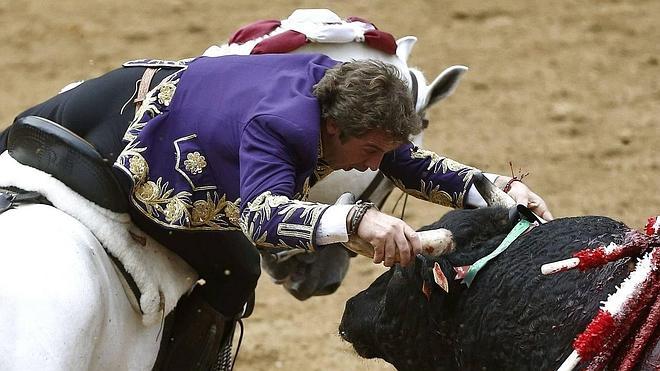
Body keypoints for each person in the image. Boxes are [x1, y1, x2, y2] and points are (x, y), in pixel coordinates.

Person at [0, 53, 552, 368]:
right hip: (102, 131)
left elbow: (408, 163)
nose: (379, 163)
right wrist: (357, 220)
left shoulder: (351, 95)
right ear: (333, 129)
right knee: (236, 267)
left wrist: (497, 189)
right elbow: (263, 219)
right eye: (370, 152)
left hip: (166, 100)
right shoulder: (278, 126)